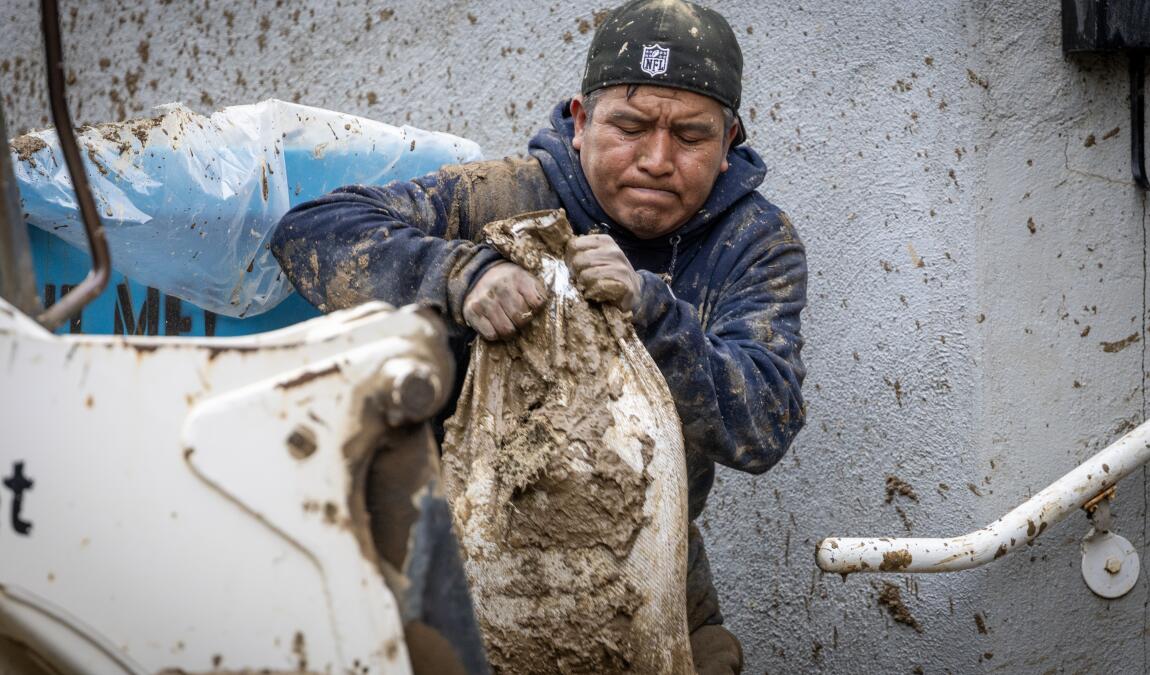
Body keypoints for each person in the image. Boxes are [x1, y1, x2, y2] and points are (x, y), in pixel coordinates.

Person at [270, 1, 806, 671]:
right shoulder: (498, 197)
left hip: (646, 578)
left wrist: (653, 313)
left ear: (729, 144)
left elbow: (763, 425)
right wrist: (460, 276)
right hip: (459, 563)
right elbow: (309, 231)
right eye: (630, 127)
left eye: (691, 137)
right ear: (581, 123)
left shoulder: (752, 244)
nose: (657, 159)